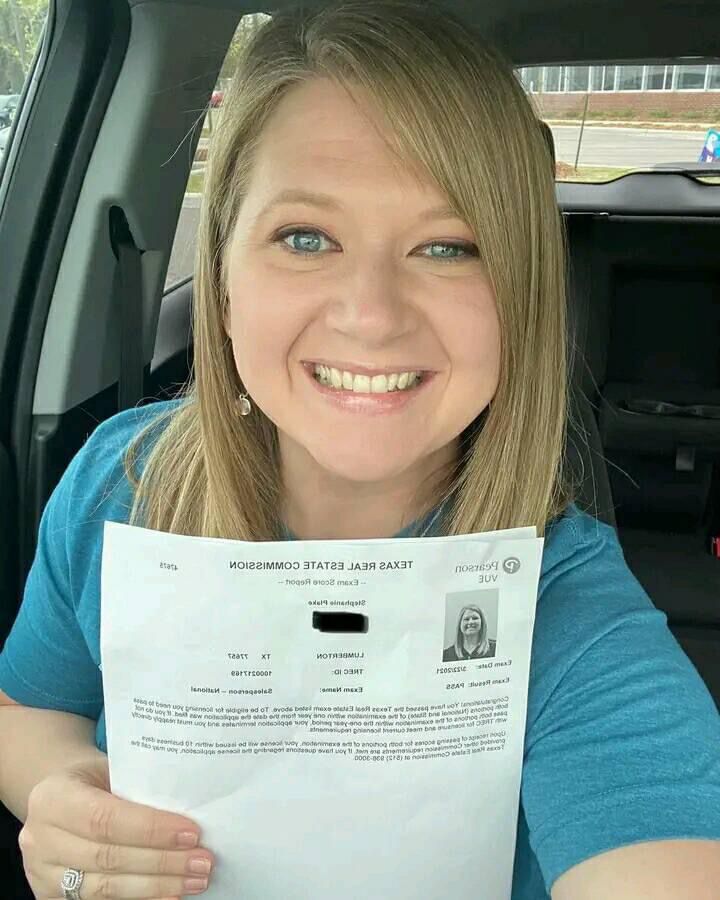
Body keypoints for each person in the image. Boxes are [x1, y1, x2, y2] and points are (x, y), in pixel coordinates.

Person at [0, 2, 719, 899]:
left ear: (523, 295)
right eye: (306, 238)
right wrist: (63, 793)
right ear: (222, 276)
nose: (371, 315)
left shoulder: (565, 614)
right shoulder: (121, 484)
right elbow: (27, 710)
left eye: (449, 246)